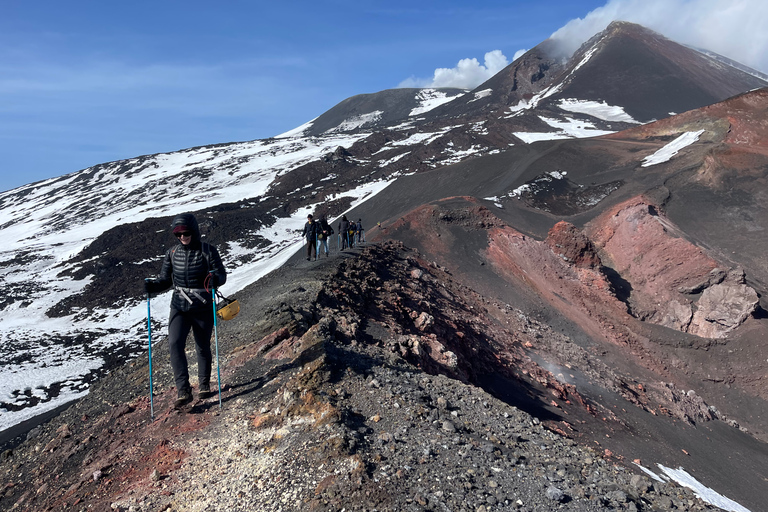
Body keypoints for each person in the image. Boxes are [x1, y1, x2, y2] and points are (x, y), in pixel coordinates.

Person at [144, 213, 227, 408]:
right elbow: (165, 279)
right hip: (179, 306)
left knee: (202, 344)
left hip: (202, 306)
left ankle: (204, 384)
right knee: (174, 344)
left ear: (194, 230)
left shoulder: (208, 251)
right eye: (178, 234)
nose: (182, 237)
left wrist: (216, 279)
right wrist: (153, 287)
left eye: (186, 232)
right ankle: (184, 390)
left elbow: (222, 274)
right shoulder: (172, 253)